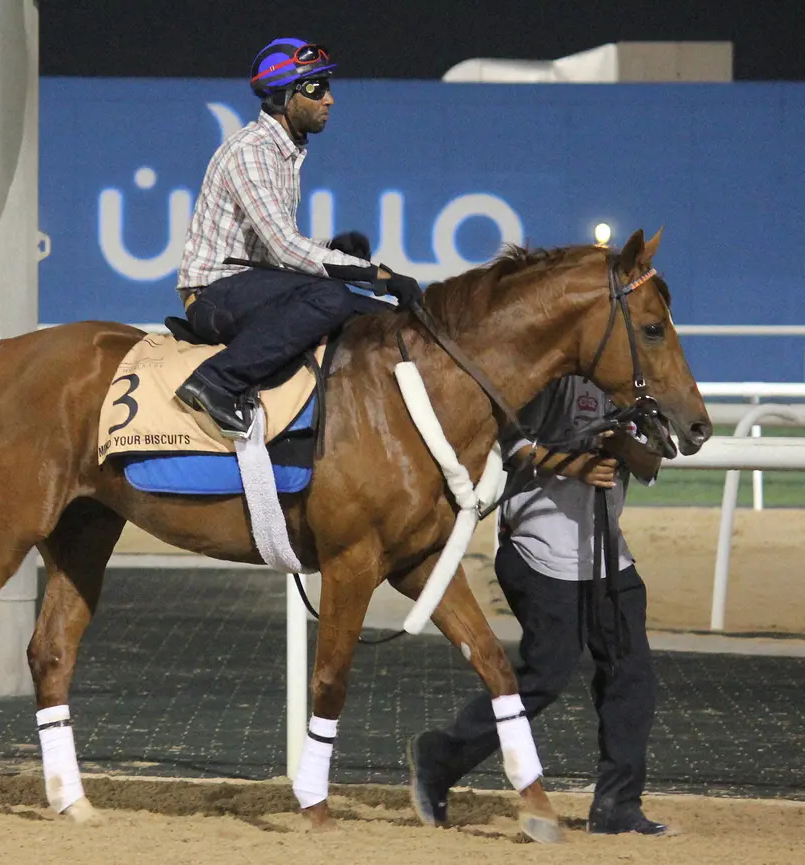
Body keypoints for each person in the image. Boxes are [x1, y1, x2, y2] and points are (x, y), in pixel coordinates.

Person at [407, 374, 670, 836]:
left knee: (633, 677)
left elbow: (650, 465)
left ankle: (617, 806)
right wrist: (573, 465)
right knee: (546, 674)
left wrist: (619, 442)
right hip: (536, 553)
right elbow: (505, 444)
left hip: (609, 557)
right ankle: (440, 758)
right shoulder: (548, 378)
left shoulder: (634, 385)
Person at [173, 38, 422, 438]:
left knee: (380, 319)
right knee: (330, 297)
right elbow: (286, 249)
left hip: (248, 286)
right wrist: (378, 276)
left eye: (327, 87)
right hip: (213, 295)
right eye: (316, 88)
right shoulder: (251, 151)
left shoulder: (285, 153)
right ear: (282, 96)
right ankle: (215, 382)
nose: (330, 100)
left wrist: (332, 251)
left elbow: (280, 250)